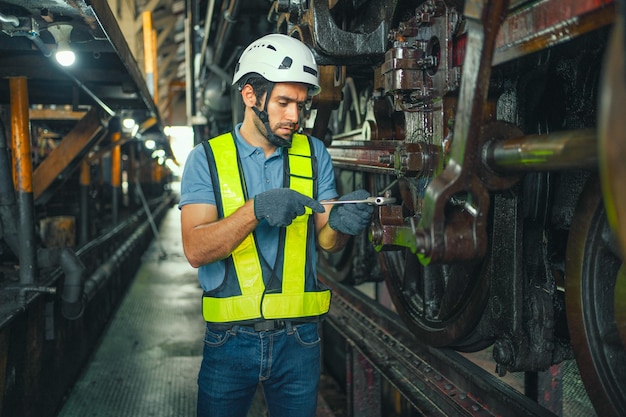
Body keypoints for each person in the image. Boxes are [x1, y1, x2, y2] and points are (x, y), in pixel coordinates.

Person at [178, 33, 373, 417]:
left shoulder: (314, 153)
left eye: (301, 104)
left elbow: (326, 240)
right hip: (229, 342)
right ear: (250, 95)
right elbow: (195, 250)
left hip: (299, 340)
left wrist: (341, 221)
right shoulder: (206, 159)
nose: (295, 117)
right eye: (284, 102)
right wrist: (255, 210)